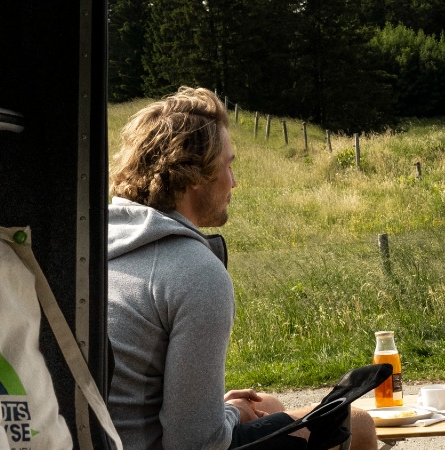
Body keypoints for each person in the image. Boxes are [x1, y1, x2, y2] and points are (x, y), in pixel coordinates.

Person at [104, 86, 376, 450]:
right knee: (357, 423)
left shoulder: (100, 248)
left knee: (271, 405)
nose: (234, 181)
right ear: (194, 174)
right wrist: (232, 413)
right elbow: (196, 444)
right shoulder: (194, 271)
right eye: (228, 165)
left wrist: (224, 411)